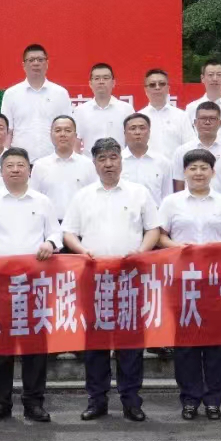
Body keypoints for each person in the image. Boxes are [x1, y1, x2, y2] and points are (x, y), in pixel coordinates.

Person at [63, 138, 162, 422]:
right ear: (94, 163)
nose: (108, 164)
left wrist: (141, 252)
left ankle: (131, 401)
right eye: (102, 159)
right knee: (95, 343)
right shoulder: (83, 196)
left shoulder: (138, 193)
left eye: (113, 158)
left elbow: (153, 229)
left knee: (130, 343)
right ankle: (97, 400)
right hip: (94, 279)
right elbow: (68, 232)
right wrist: (82, 251)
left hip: (130, 278)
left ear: (121, 160)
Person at [0, 147, 61, 423]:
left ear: (29, 171)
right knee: (0, 345)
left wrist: (50, 243)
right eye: (9, 165)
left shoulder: (43, 202)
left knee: (35, 345)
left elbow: (56, 232)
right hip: (0, 284)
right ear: (1, 171)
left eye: (20, 165)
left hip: (34, 284)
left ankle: (34, 402)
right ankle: (0, 403)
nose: (15, 169)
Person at [157, 148, 221, 421]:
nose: (198, 173)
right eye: (193, 168)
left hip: (216, 281)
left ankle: (214, 400)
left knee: (216, 343)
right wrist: (177, 247)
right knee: (186, 344)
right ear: (184, 172)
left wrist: (217, 248)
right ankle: (190, 399)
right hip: (182, 280)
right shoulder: (171, 202)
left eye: (204, 168)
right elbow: (160, 237)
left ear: (213, 172)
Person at [1, 44, 72, 160]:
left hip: (53, 160)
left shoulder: (60, 94)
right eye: (31, 60)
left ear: (47, 64)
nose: (36, 63)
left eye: (40, 60)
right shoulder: (11, 94)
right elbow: (8, 132)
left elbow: (69, 129)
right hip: (20, 162)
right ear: (24, 65)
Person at [170, 101, 221, 200]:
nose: (207, 122)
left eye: (212, 119)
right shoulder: (182, 151)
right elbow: (178, 185)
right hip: (190, 206)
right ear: (195, 123)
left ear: (220, 123)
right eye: (203, 118)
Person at [31, 116, 97, 222]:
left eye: (68, 130)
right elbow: (34, 199)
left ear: (75, 136)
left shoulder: (87, 164)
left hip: (80, 224)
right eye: (58, 130)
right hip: (50, 225)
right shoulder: (40, 165)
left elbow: (94, 197)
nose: (63, 134)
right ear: (51, 135)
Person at [72, 63, 134, 150]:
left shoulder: (126, 109)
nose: (101, 82)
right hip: (90, 158)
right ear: (90, 83)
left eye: (106, 78)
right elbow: (75, 143)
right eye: (97, 78)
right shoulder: (80, 111)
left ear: (113, 83)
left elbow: (132, 140)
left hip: (119, 158)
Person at [138, 68, 195, 160]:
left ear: (168, 88)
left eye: (162, 84)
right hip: (147, 167)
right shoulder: (139, 117)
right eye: (152, 85)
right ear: (146, 89)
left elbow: (190, 146)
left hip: (176, 167)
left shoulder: (181, 116)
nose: (157, 87)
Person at [185, 59, 221, 147]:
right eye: (210, 75)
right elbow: (187, 139)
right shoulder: (192, 108)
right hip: (199, 154)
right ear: (202, 78)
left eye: (219, 75)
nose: (215, 79)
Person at [120, 113, 171, 207]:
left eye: (142, 128)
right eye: (132, 128)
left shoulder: (163, 162)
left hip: (155, 214)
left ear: (149, 132)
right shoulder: (117, 162)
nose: (137, 132)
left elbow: (167, 196)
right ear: (125, 133)